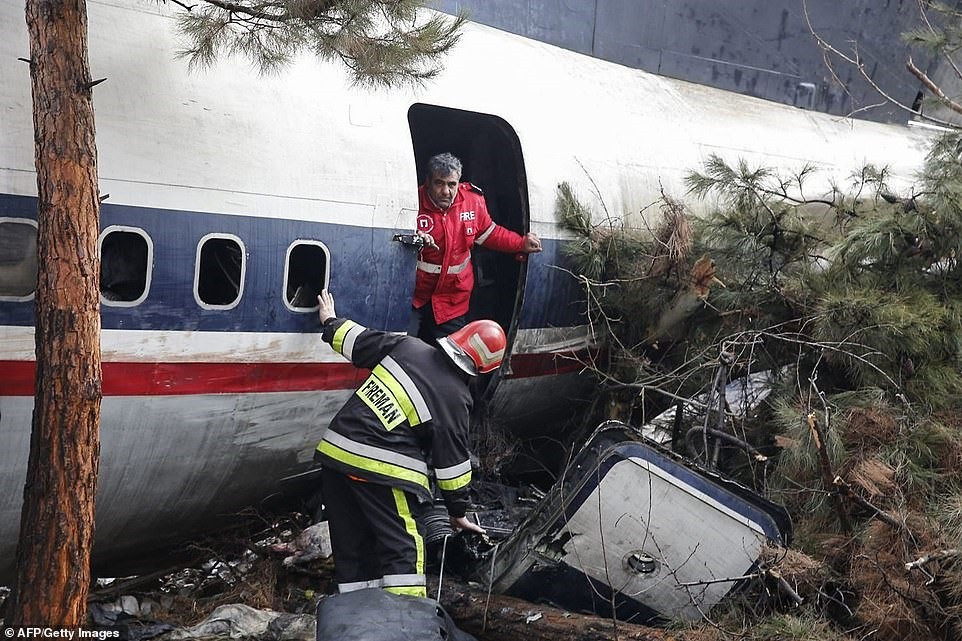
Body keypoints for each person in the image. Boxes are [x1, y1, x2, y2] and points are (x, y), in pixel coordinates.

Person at [313, 289, 504, 598]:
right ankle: (408, 617)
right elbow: (452, 466)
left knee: (354, 550)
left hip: (336, 455)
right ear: (482, 370)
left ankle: (356, 614)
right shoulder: (456, 398)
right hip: (382, 469)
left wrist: (330, 321)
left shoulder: (408, 346)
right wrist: (457, 513)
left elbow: (356, 341)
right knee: (405, 548)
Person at [408, 152, 542, 342]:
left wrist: (520, 243)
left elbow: (490, 233)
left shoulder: (472, 201)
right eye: (439, 183)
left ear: (458, 183)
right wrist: (415, 237)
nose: (445, 191)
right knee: (404, 349)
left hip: (452, 301)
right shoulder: (411, 201)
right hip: (414, 297)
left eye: (451, 184)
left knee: (450, 355)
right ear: (428, 181)